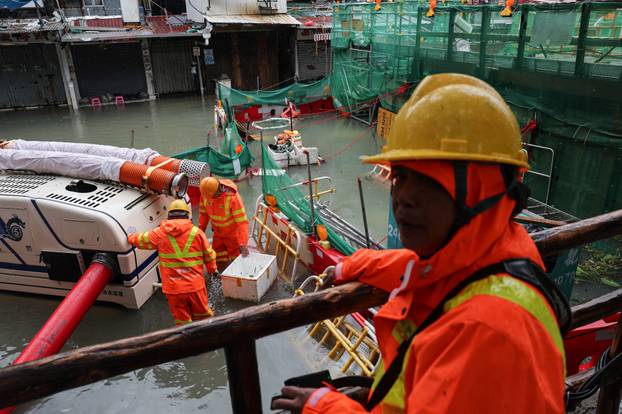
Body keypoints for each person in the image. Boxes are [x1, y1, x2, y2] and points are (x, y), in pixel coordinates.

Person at [271, 74, 570, 413]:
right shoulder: (494, 249)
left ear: (482, 191)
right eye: (400, 177)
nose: (404, 198)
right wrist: (348, 266)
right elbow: (415, 268)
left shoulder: (488, 330)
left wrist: (325, 407)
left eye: (428, 181)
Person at [128, 199, 217, 326]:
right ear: (187, 215)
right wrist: (213, 270)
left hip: (173, 290)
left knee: (182, 322)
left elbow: (142, 240)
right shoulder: (197, 233)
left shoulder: (159, 233)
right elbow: (209, 255)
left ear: (169, 216)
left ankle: (186, 342)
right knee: (203, 318)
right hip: (195, 287)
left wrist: (130, 236)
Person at [198, 177, 249, 269]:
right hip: (218, 234)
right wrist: (199, 233)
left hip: (233, 237)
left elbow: (242, 223)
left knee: (237, 262)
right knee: (217, 259)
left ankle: (236, 279)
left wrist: (243, 243)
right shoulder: (206, 194)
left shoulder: (232, 198)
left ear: (217, 192)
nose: (208, 199)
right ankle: (222, 277)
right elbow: (203, 214)